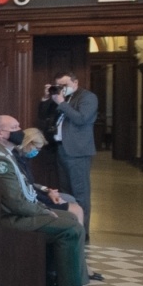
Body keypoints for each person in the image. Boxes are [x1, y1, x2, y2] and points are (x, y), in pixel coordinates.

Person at [0, 116, 107, 286]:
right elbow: (16, 202)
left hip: (4, 213)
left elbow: (20, 188)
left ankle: (66, 282)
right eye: (15, 127)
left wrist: (43, 208)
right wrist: (44, 211)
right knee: (71, 228)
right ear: (0, 133)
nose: (20, 131)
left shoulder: (1, 152)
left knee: (69, 220)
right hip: (3, 220)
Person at [50, 71, 98, 237]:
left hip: (78, 152)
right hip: (62, 149)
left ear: (75, 82)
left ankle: (82, 232)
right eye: (59, 85)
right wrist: (46, 99)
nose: (62, 88)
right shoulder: (63, 98)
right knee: (65, 191)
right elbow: (47, 117)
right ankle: (70, 226)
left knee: (80, 193)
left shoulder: (87, 98)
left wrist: (62, 103)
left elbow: (81, 119)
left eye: (65, 85)